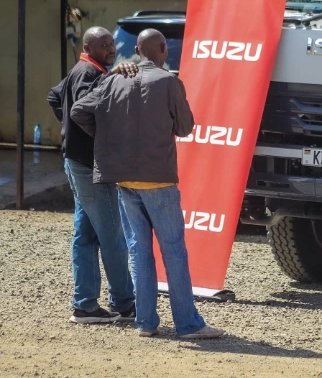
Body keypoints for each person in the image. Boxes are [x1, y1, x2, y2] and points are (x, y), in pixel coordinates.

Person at [70, 29, 224, 339]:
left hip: (125, 180)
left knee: (139, 252)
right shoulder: (169, 82)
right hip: (158, 180)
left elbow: (78, 111)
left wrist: (108, 137)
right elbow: (185, 128)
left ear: (138, 51)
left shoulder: (114, 80)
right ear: (163, 49)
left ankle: (145, 322)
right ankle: (188, 324)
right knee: (173, 251)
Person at [47, 26, 138, 324]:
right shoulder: (90, 73)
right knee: (112, 237)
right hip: (89, 167)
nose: (111, 48)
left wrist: (70, 132)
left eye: (112, 43)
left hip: (77, 162)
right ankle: (125, 304)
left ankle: (85, 305)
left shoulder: (84, 69)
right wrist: (94, 137)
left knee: (85, 236)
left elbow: (54, 97)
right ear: (88, 48)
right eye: (104, 45)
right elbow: (81, 109)